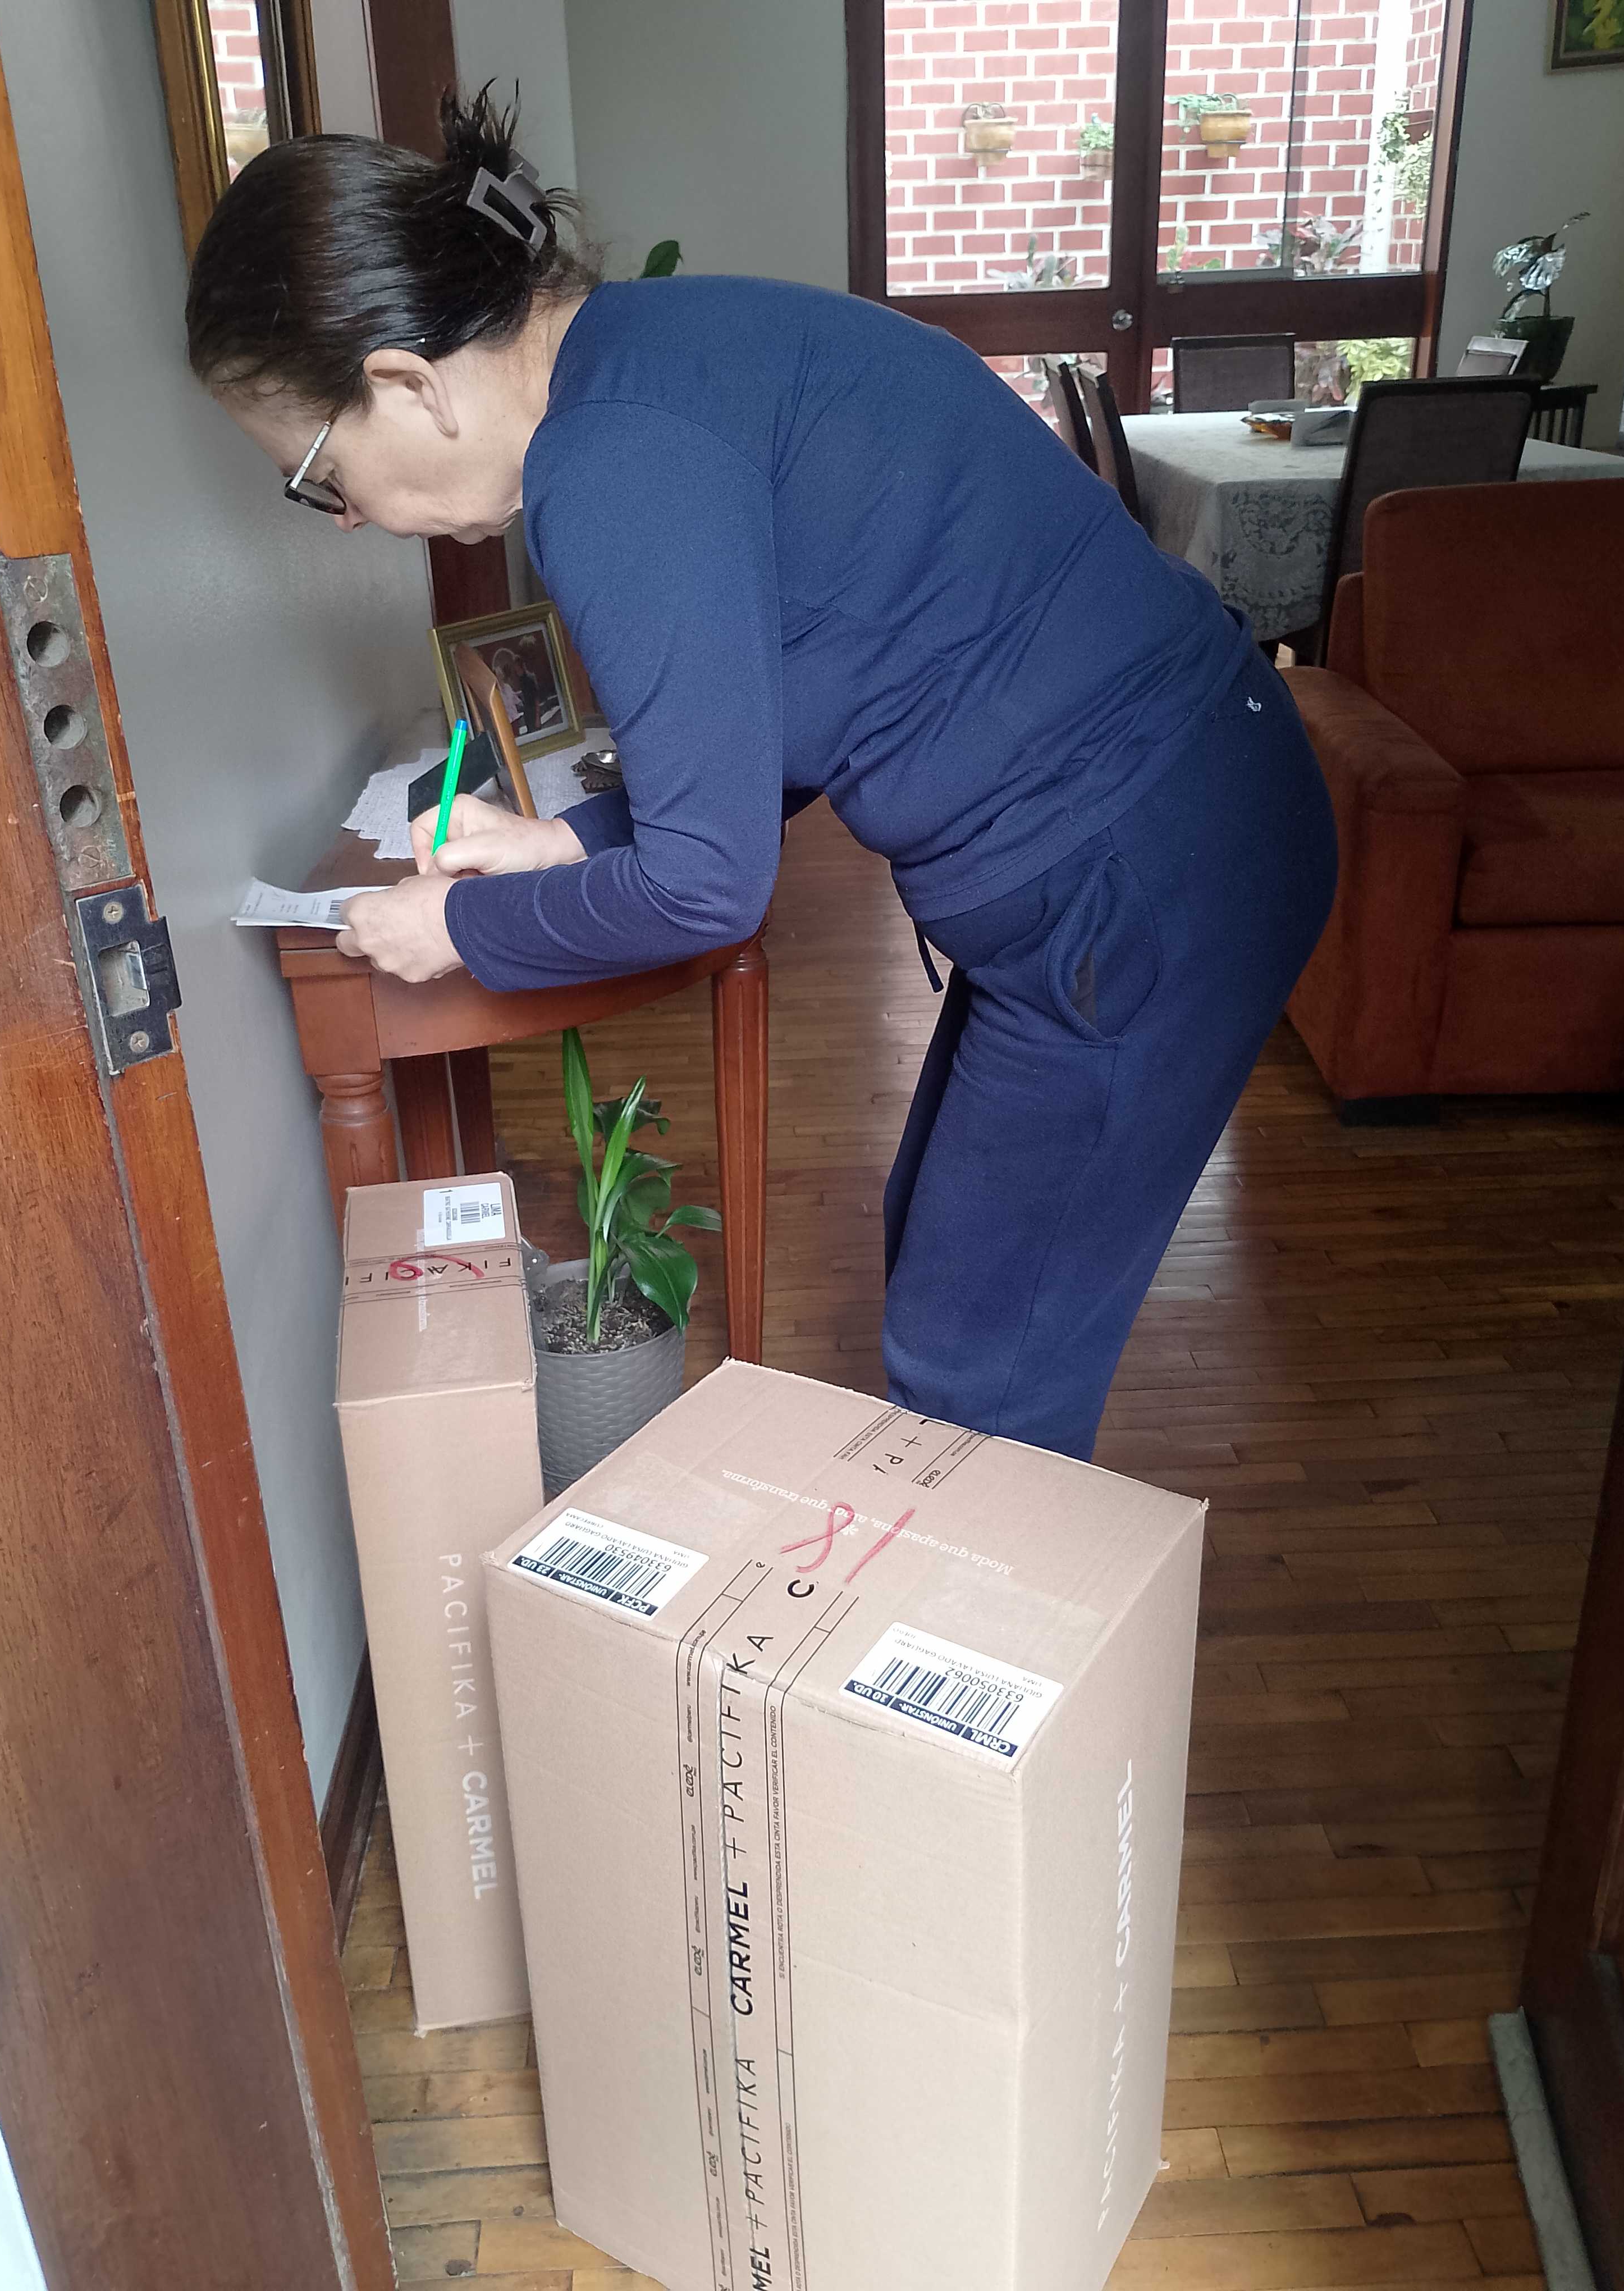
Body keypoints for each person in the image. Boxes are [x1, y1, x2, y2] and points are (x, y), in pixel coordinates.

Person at [184, 88, 1336, 1463]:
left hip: (1142, 865)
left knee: (982, 1371)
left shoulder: (609, 461)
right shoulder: (653, 354)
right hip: (1173, 819)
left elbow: (707, 890)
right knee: (950, 1284)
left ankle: (999, 1600)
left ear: (404, 382)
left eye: (318, 475)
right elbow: (783, 703)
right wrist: (570, 841)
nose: (348, 519)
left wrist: (458, 926)